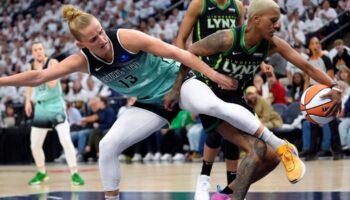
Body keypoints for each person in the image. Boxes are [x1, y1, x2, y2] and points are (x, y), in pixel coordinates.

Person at [0, 4, 336, 200]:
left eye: (101, 31)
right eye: (93, 38)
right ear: (81, 44)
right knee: (108, 146)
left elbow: (178, 52)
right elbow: (38, 77)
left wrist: (214, 77)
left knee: (214, 106)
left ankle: (281, 146)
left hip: (181, 83)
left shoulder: (126, 37)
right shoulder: (82, 61)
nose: (101, 39)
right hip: (150, 104)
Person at [166, 0, 342, 199]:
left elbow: (307, 66)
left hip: (235, 99)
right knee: (257, 149)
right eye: (273, 20)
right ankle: (215, 187)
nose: (278, 25)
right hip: (210, 96)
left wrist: (334, 86)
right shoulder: (226, 38)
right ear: (256, 19)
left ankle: (223, 196)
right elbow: (190, 52)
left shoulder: (272, 44)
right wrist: (176, 88)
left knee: (272, 156)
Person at [175, 0, 245, 198]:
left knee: (234, 126)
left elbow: (240, 39)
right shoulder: (199, 4)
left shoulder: (238, 6)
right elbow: (181, 40)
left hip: (228, 74)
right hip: (203, 75)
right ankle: (203, 180)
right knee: (215, 128)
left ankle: (232, 189)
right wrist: (181, 71)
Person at [24, 42, 84, 186]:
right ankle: (42, 172)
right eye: (35, 50)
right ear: (32, 53)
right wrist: (27, 101)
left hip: (55, 105)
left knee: (65, 139)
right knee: (35, 145)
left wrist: (43, 72)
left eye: (40, 49)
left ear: (44, 51)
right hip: (41, 108)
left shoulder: (53, 62)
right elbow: (29, 85)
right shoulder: (30, 66)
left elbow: (51, 84)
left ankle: (75, 173)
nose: (38, 52)